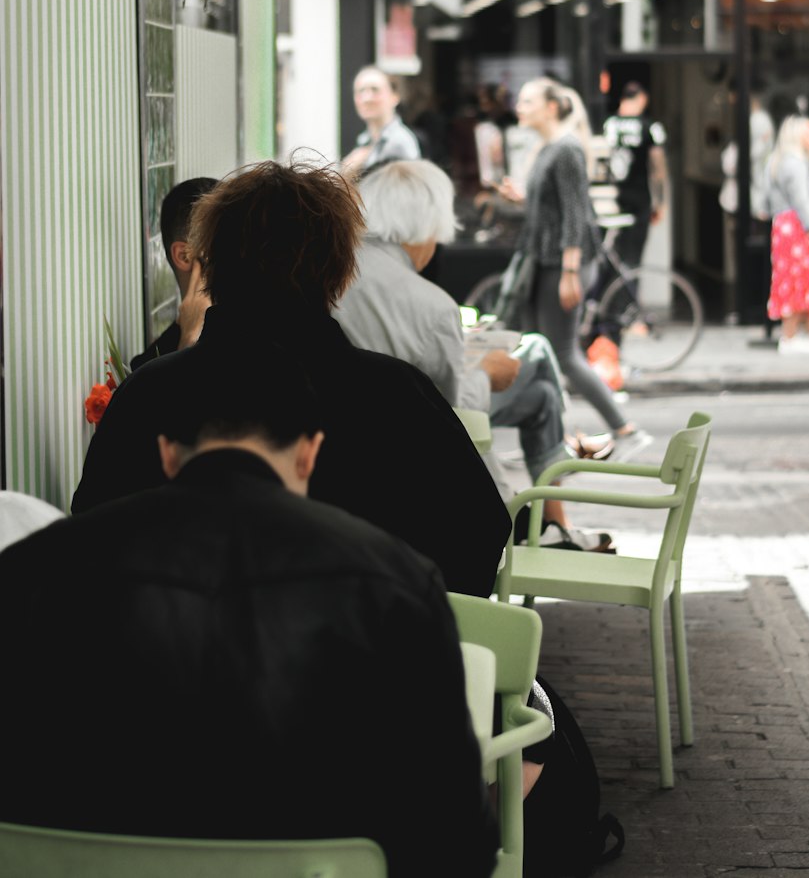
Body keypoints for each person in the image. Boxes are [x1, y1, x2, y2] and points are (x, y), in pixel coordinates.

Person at [0, 354, 498, 874]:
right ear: (309, 454)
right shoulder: (395, 580)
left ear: (168, 454)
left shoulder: (33, 567)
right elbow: (458, 839)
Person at [72, 161, 511, 598]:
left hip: (181, 659)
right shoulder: (395, 393)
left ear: (211, 266)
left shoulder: (150, 392)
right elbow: (480, 529)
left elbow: (94, 535)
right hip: (359, 656)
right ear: (339, 273)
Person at [336, 160, 612, 551]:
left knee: (542, 396)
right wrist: (485, 372)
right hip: (412, 451)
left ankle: (550, 526)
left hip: (354, 438)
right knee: (536, 368)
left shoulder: (332, 267)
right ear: (431, 225)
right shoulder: (430, 305)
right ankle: (542, 525)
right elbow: (454, 412)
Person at [500, 79, 650, 456]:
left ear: (551, 107)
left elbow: (574, 215)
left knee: (563, 353)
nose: (520, 106)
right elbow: (552, 209)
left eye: (528, 100)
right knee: (535, 353)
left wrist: (569, 272)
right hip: (543, 262)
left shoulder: (566, 148)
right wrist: (523, 198)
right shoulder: (548, 147)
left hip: (561, 264)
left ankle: (626, 430)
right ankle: (544, 440)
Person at [130, 176, 217, 369]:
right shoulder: (145, 368)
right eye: (223, 241)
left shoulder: (265, 337)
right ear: (185, 256)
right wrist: (189, 340)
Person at [767, 115, 809, 356]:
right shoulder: (795, 163)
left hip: (786, 226)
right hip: (798, 228)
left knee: (798, 279)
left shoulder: (779, 160)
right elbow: (803, 201)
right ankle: (790, 337)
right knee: (796, 281)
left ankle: (804, 332)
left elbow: (763, 201)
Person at [602, 82, 668, 272]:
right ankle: (627, 297)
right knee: (633, 257)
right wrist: (660, 202)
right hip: (639, 196)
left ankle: (610, 296)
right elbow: (658, 169)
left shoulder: (609, 124)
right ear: (641, 99)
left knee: (612, 254)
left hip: (612, 198)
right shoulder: (650, 126)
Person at [342, 65, 422, 180]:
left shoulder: (399, 142)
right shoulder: (364, 140)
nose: (367, 98)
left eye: (375, 90)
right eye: (360, 91)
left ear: (395, 96)